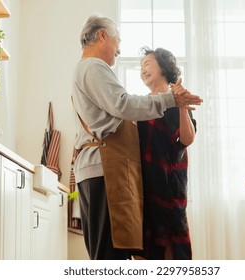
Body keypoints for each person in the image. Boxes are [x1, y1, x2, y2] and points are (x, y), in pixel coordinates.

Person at [71, 15, 203, 260]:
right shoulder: (93, 66)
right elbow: (123, 104)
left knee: (112, 252)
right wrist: (171, 99)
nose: (119, 49)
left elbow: (185, 139)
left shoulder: (87, 69)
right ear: (102, 36)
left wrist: (177, 103)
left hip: (146, 185)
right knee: (110, 255)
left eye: (148, 64)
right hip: (105, 171)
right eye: (117, 40)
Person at [137, 47, 195, 260]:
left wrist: (181, 106)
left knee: (171, 254)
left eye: (147, 64)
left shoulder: (176, 100)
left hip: (169, 191)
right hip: (143, 190)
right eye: (140, 66)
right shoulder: (141, 104)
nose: (143, 70)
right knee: (141, 251)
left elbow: (187, 139)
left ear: (163, 66)